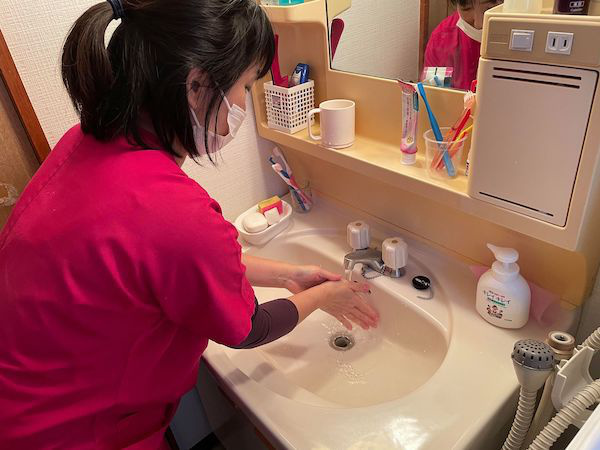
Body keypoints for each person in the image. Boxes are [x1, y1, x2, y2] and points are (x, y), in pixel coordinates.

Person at [0, 0, 379, 448]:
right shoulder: (173, 212)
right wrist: (324, 296)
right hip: (73, 434)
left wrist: (288, 274)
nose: (244, 103)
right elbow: (249, 328)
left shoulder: (85, 141)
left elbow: (171, 264)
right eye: (245, 85)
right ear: (196, 85)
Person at [424, 0, 503, 90]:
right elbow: (434, 92)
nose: (478, 24)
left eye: (489, 8)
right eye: (466, 8)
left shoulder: (515, 35)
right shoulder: (441, 38)